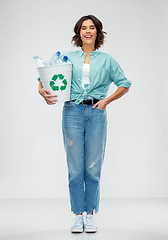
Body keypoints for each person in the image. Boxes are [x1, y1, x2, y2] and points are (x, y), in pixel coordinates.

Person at [38, 15, 131, 233]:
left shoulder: (107, 60)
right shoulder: (67, 57)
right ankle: (77, 215)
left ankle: (89, 215)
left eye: (92, 28)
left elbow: (124, 84)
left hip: (97, 113)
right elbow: (46, 76)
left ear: (98, 32)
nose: (87, 31)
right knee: (75, 166)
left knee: (93, 166)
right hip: (72, 111)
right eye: (83, 28)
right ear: (78, 33)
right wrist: (40, 89)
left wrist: (106, 100)